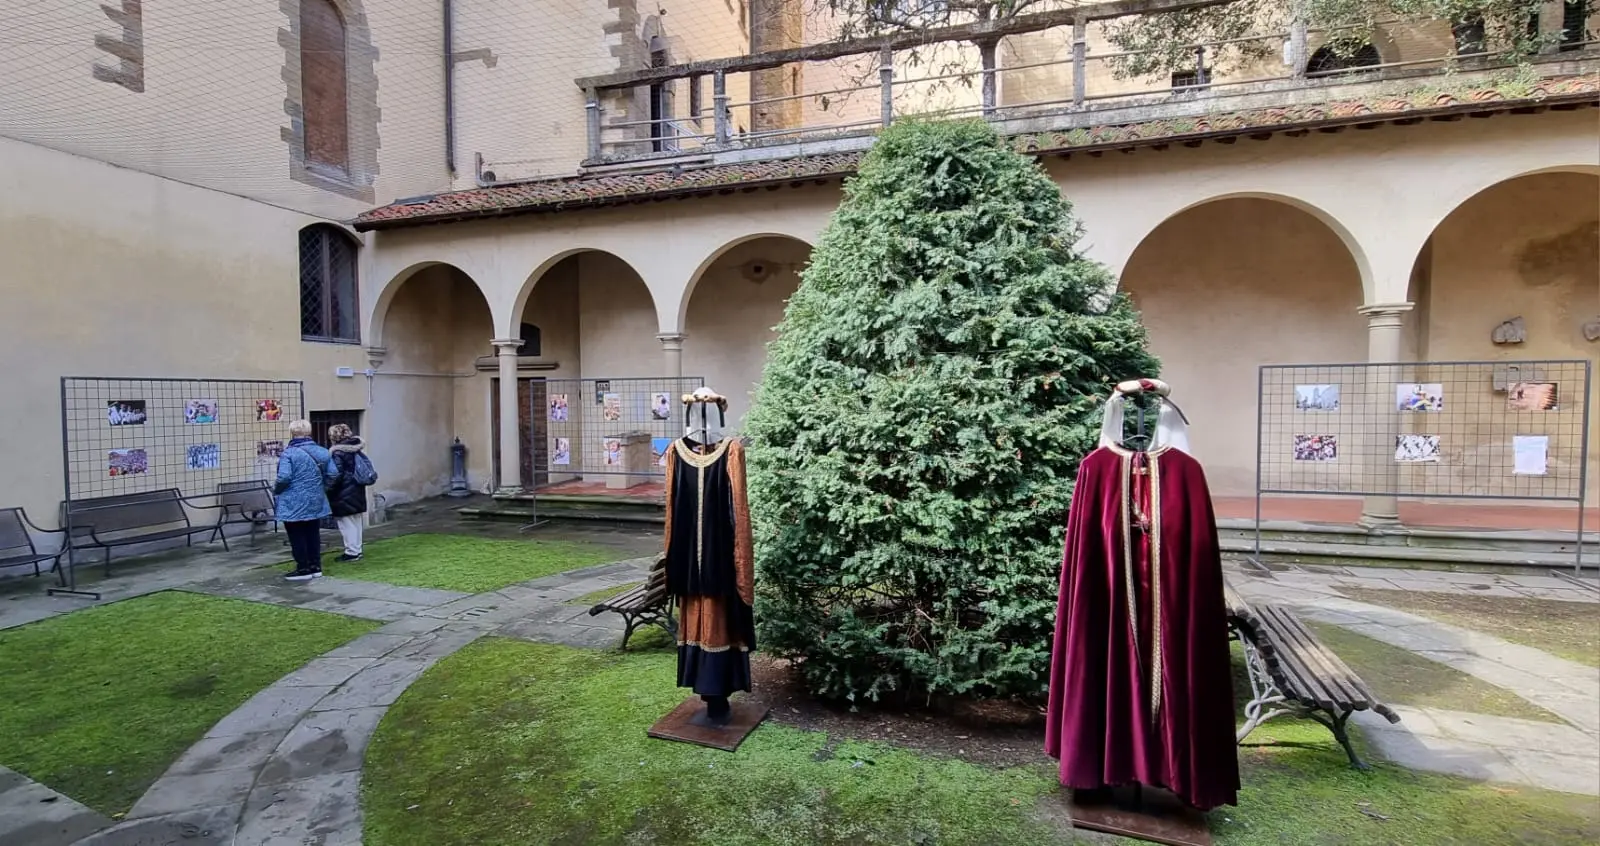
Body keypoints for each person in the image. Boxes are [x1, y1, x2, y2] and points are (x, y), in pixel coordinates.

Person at [275, 419, 337, 581]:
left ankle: (303, 568)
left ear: (293, 433)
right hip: (315, 499)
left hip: (292, 501)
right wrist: (322, 488)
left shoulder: (288, 453)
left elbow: (284, 477)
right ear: (309, 432)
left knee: (296, 534)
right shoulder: (322, 451)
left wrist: (277, 491)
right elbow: (333, 474)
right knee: (312, 532)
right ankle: (316, 566)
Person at [325, 423, 373, 562]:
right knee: (356, 521)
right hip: (356, 489)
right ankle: (357, 549)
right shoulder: (355, 449)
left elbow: (336, 474)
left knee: (346, 523)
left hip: (342, 492)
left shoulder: (338, 453)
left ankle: (351, 552)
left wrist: (327, 488)